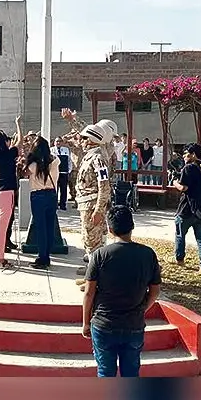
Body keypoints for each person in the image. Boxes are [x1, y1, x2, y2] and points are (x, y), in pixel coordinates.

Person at [81, 206, 162, 378]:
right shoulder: (148, 254)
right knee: (131, 372)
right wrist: (142, 309)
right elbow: (155, 291)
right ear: (132, 227)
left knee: (105, 372)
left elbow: (89, 293)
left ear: (110, 229)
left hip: (104, 324)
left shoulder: (99, 255)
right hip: (134, 324)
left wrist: (86, 323)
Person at [74, 123, 114, 290]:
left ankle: (95, 281)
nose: (81, 141)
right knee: (89, 242)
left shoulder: (97, 158)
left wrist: (99, 209)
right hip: (85, 204)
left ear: (91, 140)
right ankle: (91, 277)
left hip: (92, 205)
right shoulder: (89, 156)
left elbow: (104, 185)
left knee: (94, 244)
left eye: (83, 138)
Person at [171, 143, 201, 278]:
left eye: (186, 153)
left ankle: (180, 260)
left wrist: (174, 181)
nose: (184, 156)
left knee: (180, 235)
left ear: (193, 154)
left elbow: (183, 187)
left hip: (186, 209)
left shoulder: (189, 167)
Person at [27, 136, 61, 269]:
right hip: (52, 195)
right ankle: (47, 255)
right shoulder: (55, 161)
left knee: (40, 228)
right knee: (49, 226)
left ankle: (42, 257)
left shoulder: (33, 165)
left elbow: (25, 170)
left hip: (38, 196)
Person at [0, 129, 19, 269]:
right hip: (5, 193)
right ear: (6, 142)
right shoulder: (9, 153)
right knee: (2, 229)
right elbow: (20, 142)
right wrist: (18, 126)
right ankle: (0, 259)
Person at [51, 137, 72, 210]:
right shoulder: (51, 150)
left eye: (60, 141)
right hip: (55, 173)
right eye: (57, 141)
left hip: (64, 172)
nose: (58, 143)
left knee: (63, 190)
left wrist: (69, 170)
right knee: (55, 189)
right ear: (54, 142)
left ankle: (63, 205)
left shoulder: (66, 150)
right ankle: (54, 204)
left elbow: (69, 160)